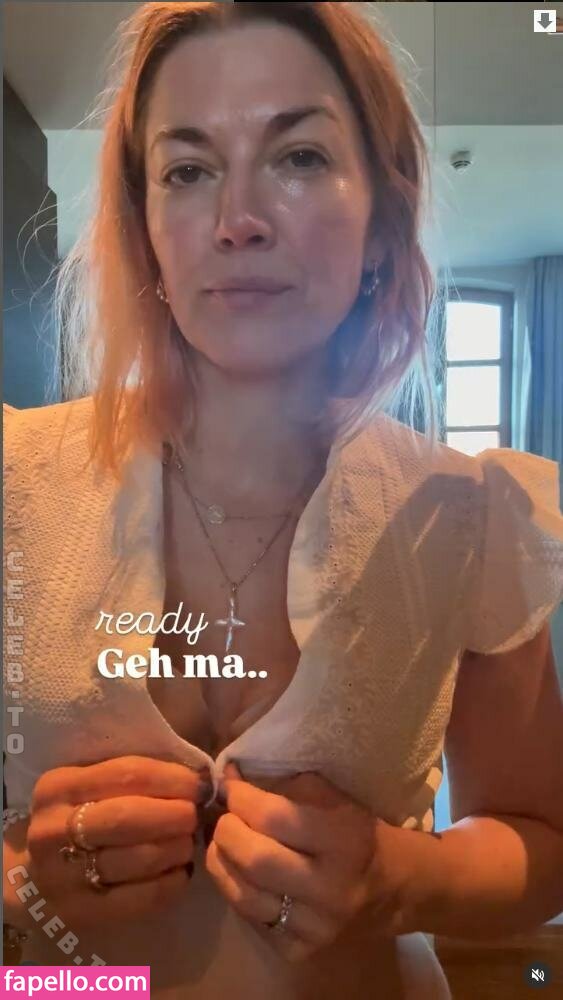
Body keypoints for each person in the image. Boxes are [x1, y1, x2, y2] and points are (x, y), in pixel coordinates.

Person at [3, 3, 563, 997]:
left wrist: (398, 877)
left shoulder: (468, 517)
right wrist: (19, 883)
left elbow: (542, 847)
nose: (238, 220)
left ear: (381, 216)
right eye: (187, 170)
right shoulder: (13, 480)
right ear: (145, 230)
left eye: (298, 157)